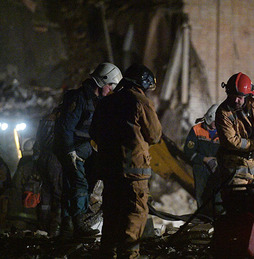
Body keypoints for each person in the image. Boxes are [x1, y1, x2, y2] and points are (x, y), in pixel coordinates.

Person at [90, 63, 162, 258]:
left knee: (111, 215)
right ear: (143, 85)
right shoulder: (141, 102)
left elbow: (93, 132)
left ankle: (107, 254)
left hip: (110, 171)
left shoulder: (107, 103)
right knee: (134, 216)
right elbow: (155, 135)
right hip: (134, 174)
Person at [54, 62, 122, 239]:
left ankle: (67, 227)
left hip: (84, 148)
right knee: (79, 184)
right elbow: (65, 128)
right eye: (111, 86)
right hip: (71, 148)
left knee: (86, 180)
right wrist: (69, 152)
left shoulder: (97, 101)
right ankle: (79, 224)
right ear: (103, 82)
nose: (111, 90)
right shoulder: (79, 98)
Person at [33, 107, 63, 237]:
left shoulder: (43, 122)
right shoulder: (59, 122)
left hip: (42, 159)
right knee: (58, 193)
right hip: (54, 158)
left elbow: (37, 144)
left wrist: (36, 162)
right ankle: (55, 228)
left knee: (45, 192)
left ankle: (42, 227)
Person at [184, 104, 220, 208]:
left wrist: (217, 162)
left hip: (217, 169)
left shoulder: (222, 131)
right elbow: (188, 151)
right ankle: (204, 219)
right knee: (202, 197)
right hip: (200, 169)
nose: (215, 125)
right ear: (209, 118)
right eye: (213, 122)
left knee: (218, 196)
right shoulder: (196, 130)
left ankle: (218, 218)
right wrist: (205, 159)